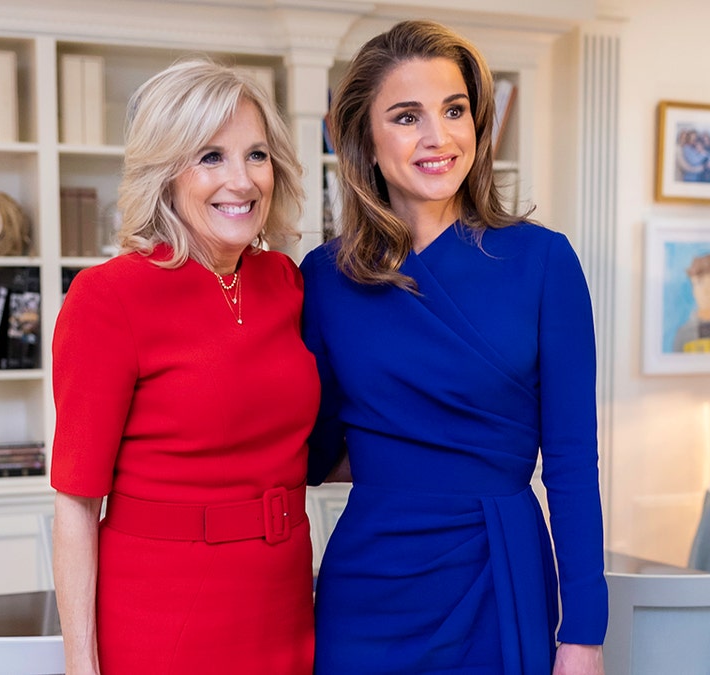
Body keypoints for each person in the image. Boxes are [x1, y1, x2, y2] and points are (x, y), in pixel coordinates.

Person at [300, 20, 607, 674]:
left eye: (455, 110)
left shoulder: (544, 261)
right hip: (369, 586)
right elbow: (313, 449)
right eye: (407, 116)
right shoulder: (325, 279)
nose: (438, 137)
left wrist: (584, 634)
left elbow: (573, 464)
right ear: (363, 139)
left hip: (501, 574)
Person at [50, 59, 318, 674]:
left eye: (256, 155)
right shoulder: (108, 296)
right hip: (163, 609)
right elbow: (76, 502)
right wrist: (80, 666)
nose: (242, 180)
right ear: (165, 172)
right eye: (209, 157)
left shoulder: (283, 283)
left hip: (282, 598)